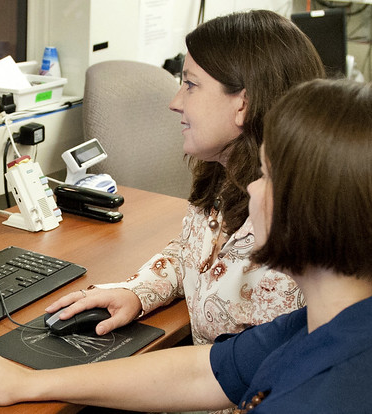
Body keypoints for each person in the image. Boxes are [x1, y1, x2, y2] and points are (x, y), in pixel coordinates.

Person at [0, 78, 372, 412]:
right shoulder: (320, 324)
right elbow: (205, 370)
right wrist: (29, 382)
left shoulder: (327, 395)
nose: (252, 189)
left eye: (268, 175)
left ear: (315, 206)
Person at [45, 9, 325, 345]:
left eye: (190, 85)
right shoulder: (225, 177)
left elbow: (235, 376)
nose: (175, 102)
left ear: (244, 105)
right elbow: (195, 254)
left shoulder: (285, 231)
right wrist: (137, 292)